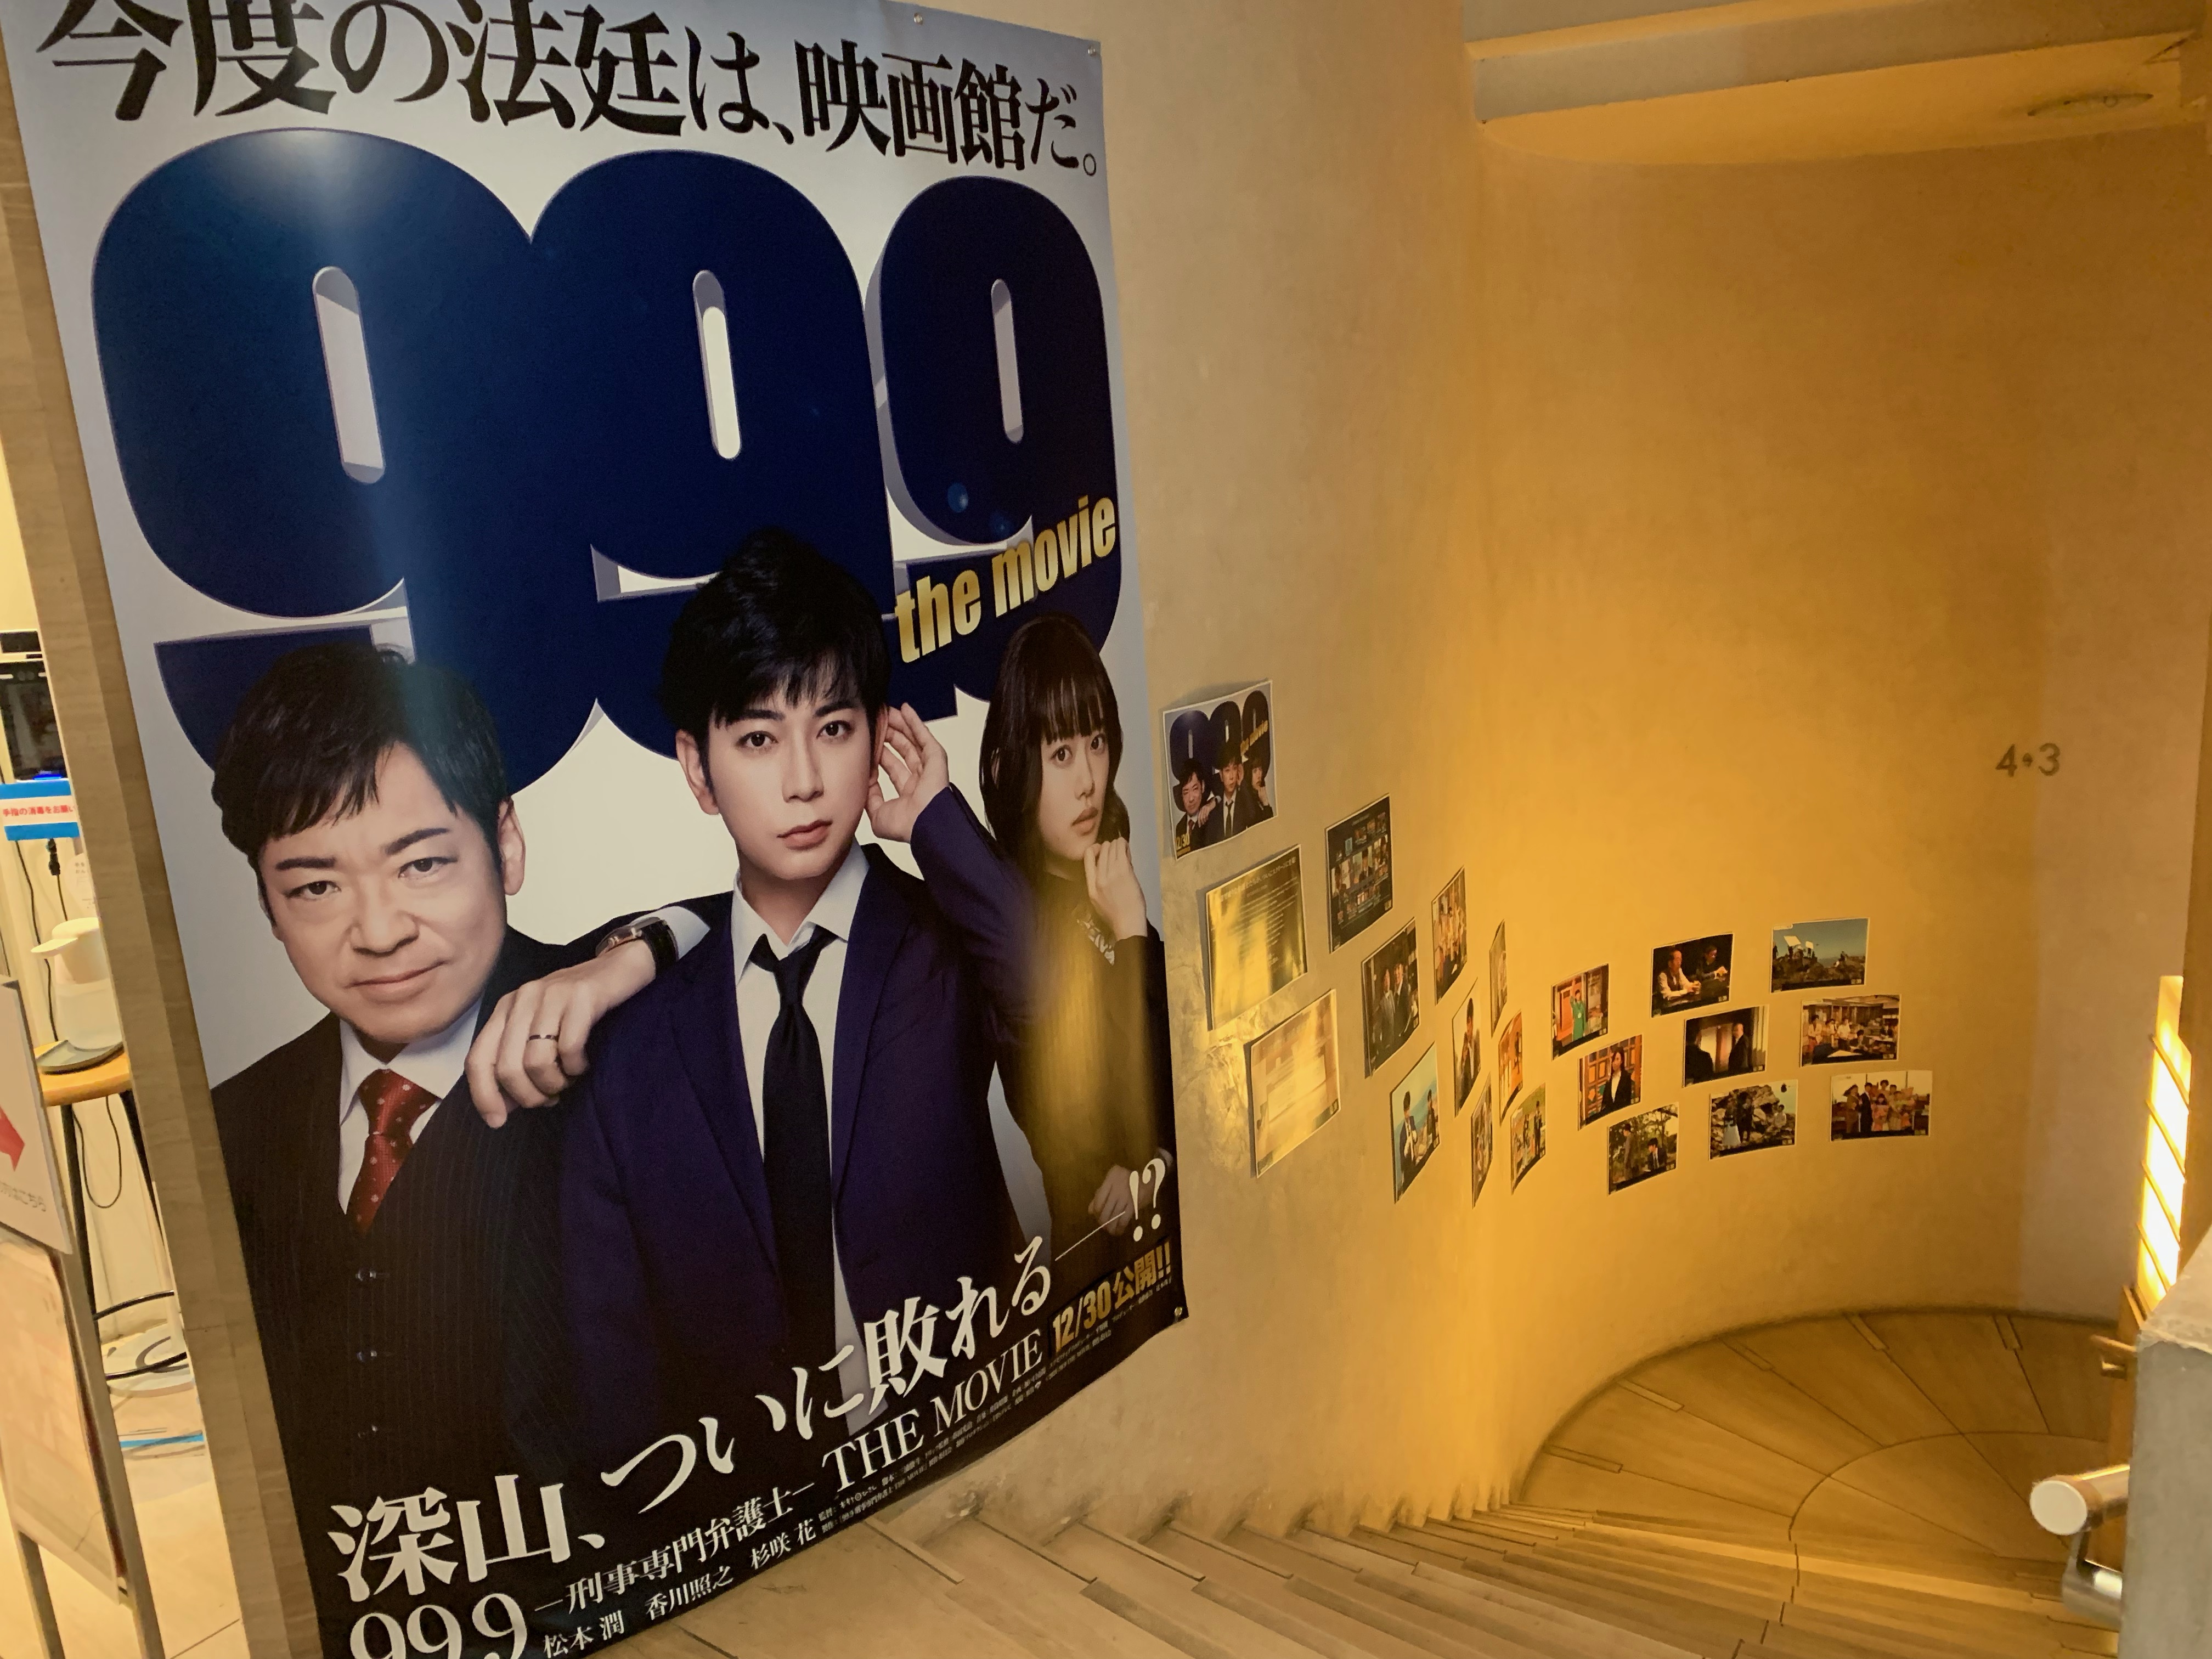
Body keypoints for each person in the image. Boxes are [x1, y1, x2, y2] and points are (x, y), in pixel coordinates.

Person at [206, 642, 723, 1638]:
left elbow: (768, 919)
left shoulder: (629, 1029)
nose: (379, 930)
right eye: (315, 886)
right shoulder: (238, 1118)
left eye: (422, 863)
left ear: (506, 844)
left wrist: (638, 949)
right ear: (267, 904)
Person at [560, 530, 1026, 1464]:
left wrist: (938, 823)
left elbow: (1068, 1005)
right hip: (753, 1510)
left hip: (969, 1455)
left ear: (878, 735)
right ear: (698, 769)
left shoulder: (945, 949)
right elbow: (615, 1373)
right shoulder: (634, 1042)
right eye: (759, 738)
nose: (805, 781)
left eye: (834, 729)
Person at [968, 611, 1175, 1285]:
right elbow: (1081, 1122)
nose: (1088, 778)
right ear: (1009, 768)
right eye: (1060, 754)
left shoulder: (1108, 890)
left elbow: (1181, 1072)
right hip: (1100, 1270)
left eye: (1096, 742)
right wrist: (1130, 932)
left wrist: (1161, 1162)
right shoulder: (1020, 929)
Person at [1172, 760, 1220, 855]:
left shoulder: (1211, 817)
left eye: (1195, 789)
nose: (1191, 799)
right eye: (1186, 792)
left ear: (1203, 786)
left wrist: (1214, 802)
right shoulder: (1180, 828)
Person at [1655, 948, 1696, 1012]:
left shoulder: (1679, 971)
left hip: (1678, 1004)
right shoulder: (1663, 976)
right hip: (1666, 1008)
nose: (1679, 963)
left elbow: (1686, 984)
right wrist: (1686, 991)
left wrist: (1694, 986)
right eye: (1677, 960)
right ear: (1670, 963)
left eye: (1681, 960)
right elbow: (1667, 995)